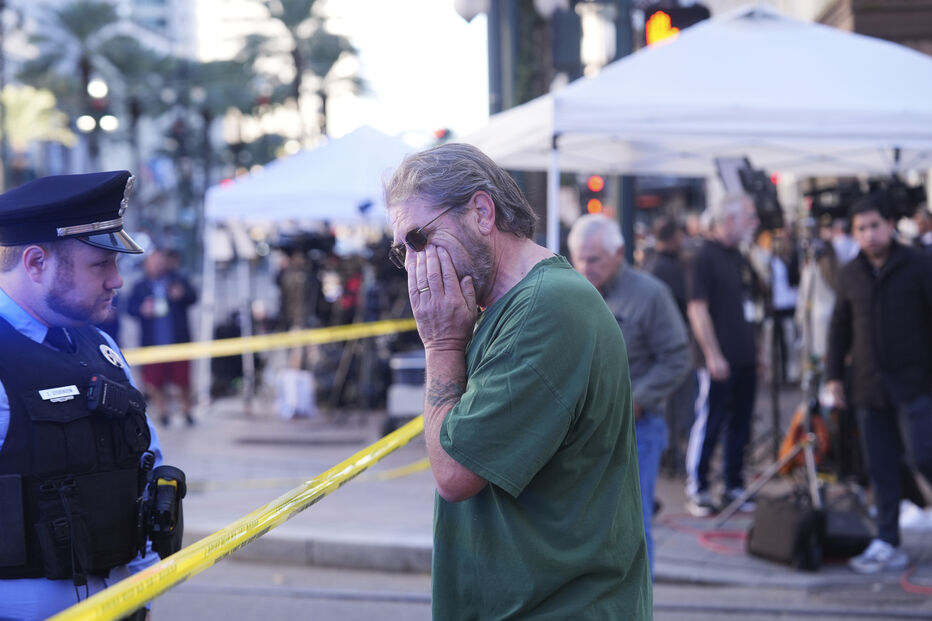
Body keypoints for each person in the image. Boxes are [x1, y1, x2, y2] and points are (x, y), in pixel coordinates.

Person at [384, 143, 651, 618]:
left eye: (420, 241)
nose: (414, 267)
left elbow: (454, 472)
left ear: (482, 212)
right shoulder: (506, 309)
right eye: (402, 251)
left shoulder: (545, 308)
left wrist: (442, 346)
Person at [0, 171, 163, 620]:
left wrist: (144, 595)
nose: (117, 281)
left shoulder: (100, 347)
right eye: (100, 265)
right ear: (35, 263)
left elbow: (145, 474)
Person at [567, 214, 690, 577]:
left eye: (594, 259)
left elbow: (678, 357)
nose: (585, 267)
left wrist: (637, 400)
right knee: (585, 525)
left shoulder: (650, 295)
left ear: (619, 252)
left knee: (632, 524)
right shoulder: (571, 292)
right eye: (580, 259)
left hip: (636, 428)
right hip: (582, 429)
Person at [826, 194, 932, 574]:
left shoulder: (919, 265)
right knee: (881, 468)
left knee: (924, 454)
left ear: (890, 225)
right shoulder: (850, 273)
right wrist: (834, 376)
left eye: (875, 226)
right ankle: (888, 540)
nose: (869, 235)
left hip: (915, 382)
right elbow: (839, 327)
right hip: (869, 387)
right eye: (861, 229)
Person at [684, 193, 761, 517]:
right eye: (749, 217)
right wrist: (713, 354)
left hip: (744, 355)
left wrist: (758, 351)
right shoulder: (703, 257)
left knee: (739, 423)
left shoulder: (739, 256)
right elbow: (697, 309)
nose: (754, 224)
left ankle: (733, 484)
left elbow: (751, 307)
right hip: (717, 358)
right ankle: (697, 487)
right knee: (711, 421)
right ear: (729, 220)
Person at [643, 215, 694, 474]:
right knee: (677, 403)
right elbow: (688, 301)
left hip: (656, 343)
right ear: (674, 237)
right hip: (671, 341)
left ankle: (670, 453)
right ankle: (671, 454)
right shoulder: (668, 267)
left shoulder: (652, 262)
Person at [127, 247, 198, 427]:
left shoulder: (177, 280)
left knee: (182, 379)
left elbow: (193, 296)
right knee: (156, 380)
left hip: (178, 340)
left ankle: (187, 410)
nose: (159, 266)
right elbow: (129, 308)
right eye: (154, 262)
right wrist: (142, 309)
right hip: (152, 342)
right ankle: (163, 411)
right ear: (147, 264)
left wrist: (181, 294)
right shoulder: (140, 286)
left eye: (161, 261)